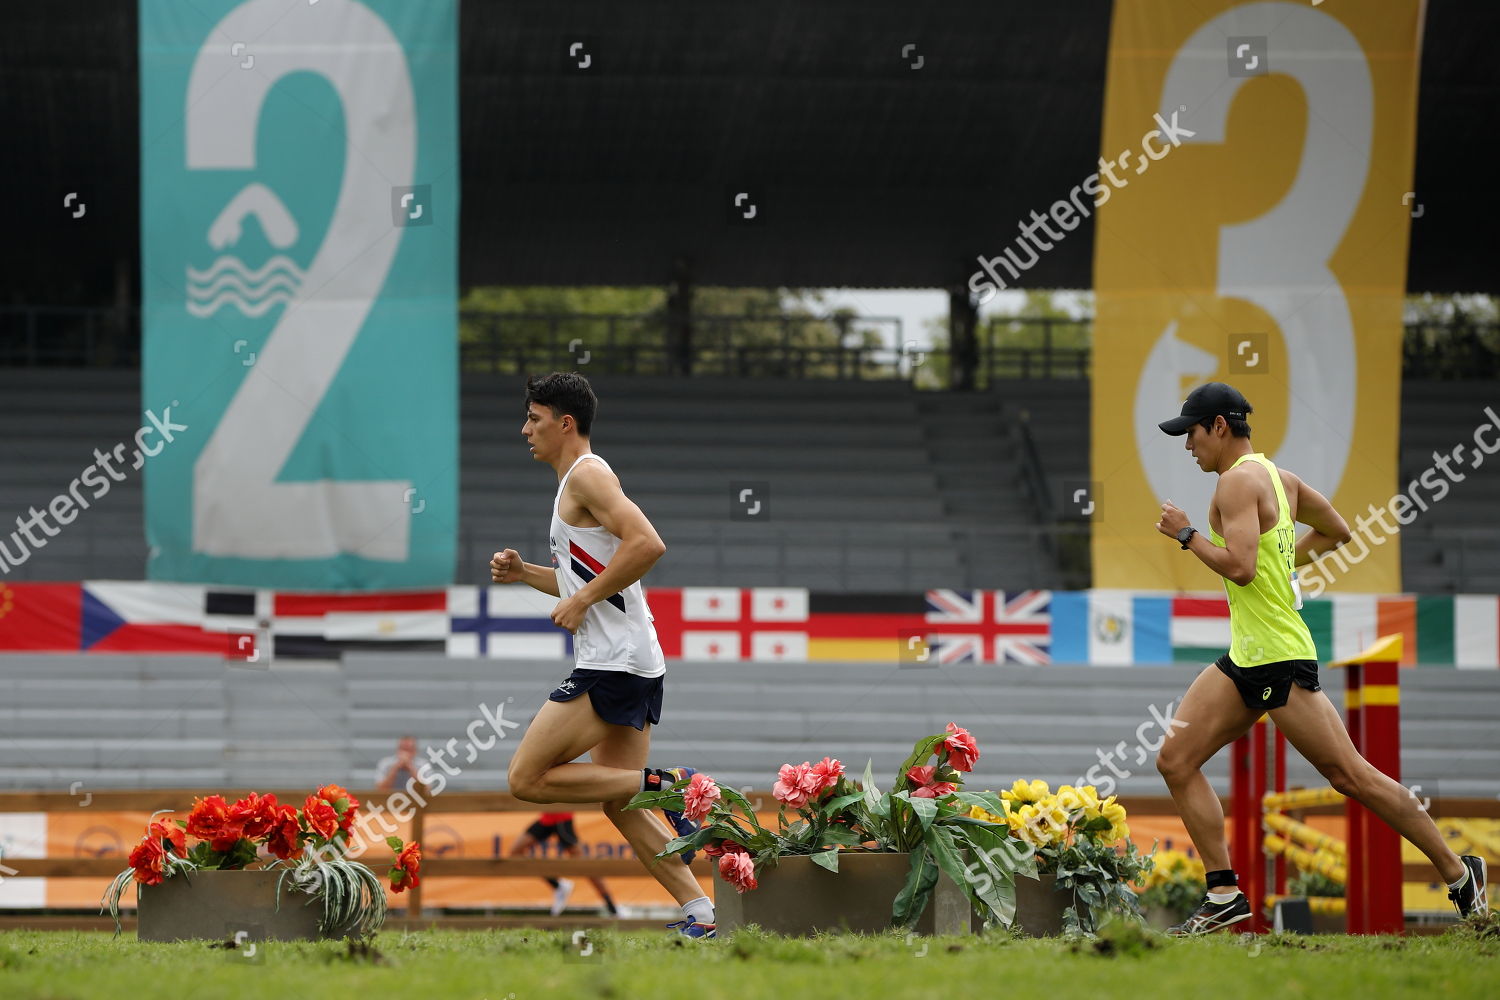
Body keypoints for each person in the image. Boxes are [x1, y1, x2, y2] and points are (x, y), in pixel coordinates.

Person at [1152, 382, 1487, 935]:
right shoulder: (1280, 479)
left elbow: (1239, 567)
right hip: (1248, 656)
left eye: (1189, 432)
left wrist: (1186, 533)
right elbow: (1338, 531)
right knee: (1175, 759)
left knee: (1350, 775)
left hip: (1278, 658)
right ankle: (1224, 893)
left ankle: (1458, 871)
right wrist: (1287, 570)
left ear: (1218, 427)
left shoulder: (1236, 482)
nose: (1186, 446)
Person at [491, 372, 714, 939]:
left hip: (613, 661)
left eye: (534, 419)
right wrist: (527, 575)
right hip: (631, 657)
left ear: (565, 423)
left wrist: (582, 598)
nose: (525, 430)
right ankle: (701, 913)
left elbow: (648, 544)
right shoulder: (576, 480)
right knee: (622, 796)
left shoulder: (587, 475)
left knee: (527, 777)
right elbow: (594, 578)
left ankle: (669, 782)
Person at [509, 810, 620, 917]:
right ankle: (558, 885)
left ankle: (613, 909)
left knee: (584, 864)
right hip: (547, 818)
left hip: (562, 818)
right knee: (515, 851)